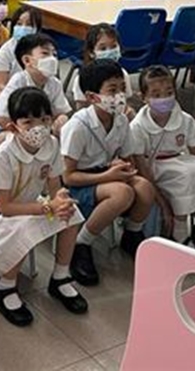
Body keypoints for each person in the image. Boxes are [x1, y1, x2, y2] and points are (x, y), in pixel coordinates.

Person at [0, 87, 88, 327]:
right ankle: (5, 288)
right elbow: (6, 207)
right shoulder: (4, 155)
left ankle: (60, 276)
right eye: (28, 122)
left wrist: (61, 200)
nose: (39, 128)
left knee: (71, 213)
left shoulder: (52, 144)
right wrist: (48, 207)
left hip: (31, 205)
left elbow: (54, 186)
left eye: (44, 120)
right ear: (13, 127)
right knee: (25, 226)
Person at [61, 60, 156, 286]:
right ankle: (81, 244)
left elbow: (128, 156)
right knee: (122, 193)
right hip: (80, 182)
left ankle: (132, 234)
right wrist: (109, 176)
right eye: (112, 91)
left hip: (108, 174)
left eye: (122, 88)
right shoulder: (78, 126)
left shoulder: (120, 120)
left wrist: (127, 169)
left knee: (144, 188)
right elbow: (67, 177)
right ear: (92, 97)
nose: (120, 96)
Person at [130, 65, 195, 253]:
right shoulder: (138, 126)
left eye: (169, 92)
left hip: (179, 160)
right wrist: (161, 200)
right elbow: (141, 164)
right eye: (156, 94)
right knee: (184, 177)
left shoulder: (185, 119)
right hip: (155, 165)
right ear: (143, 97)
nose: (164, 98)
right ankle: (180, 232)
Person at [0, 34, 71, 148]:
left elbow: (61, 111)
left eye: (54, 54)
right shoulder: (18, 81)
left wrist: (62, 118)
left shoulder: (55, 83)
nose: (52, 59)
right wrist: (26, 132)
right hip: (5, 131)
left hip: (41, 131)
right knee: (12, 141)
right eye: (45, 53)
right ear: (27, 60)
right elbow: (2, 119)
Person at [69, 23, 134, 110]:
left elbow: (126, 103)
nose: (110, 51)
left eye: (113, 46)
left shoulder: (123, 74)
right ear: (91, 53)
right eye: (103, 48)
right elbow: (81, 108)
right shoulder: (82, 79)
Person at [0, 5, 41, 90]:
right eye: (19, 24)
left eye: (29, 25)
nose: (23, 28)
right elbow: (1, 84)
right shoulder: (6, 51)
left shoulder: (42, 50)